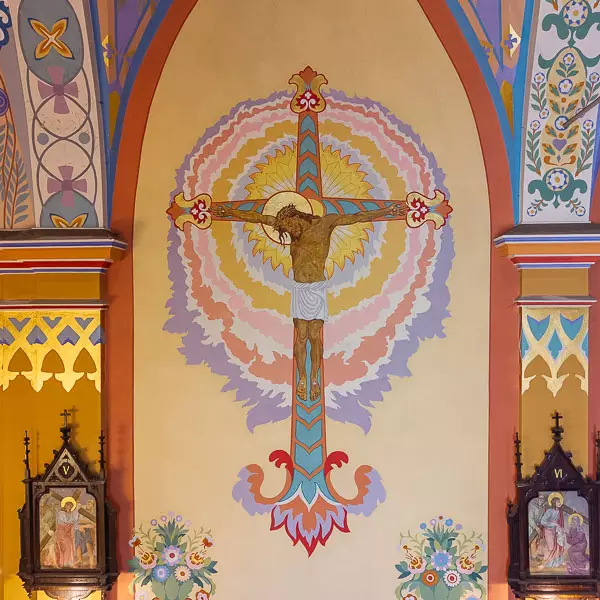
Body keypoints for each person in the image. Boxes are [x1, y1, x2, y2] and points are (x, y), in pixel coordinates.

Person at [211, 201, 404, 401]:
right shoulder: (286, 227)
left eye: (290, 226)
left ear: (296, 216)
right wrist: (229, 212)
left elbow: (357, 218)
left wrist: (387, 211)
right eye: (286, 230)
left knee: (314, 336)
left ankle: (314, 378)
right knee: (301, 336)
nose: (290, 232)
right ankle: (302, 377)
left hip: (317, 289)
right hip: (300, 289)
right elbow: (258, 217)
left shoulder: (326, 223)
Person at [538, 494, 566, 569]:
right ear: (554, 503)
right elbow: (543, 521)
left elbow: (558, 522)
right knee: (551, 547)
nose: (559, 503)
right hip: (548, 531)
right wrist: (552, 523)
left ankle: (557, 562)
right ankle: (544, 564)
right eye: (558, 502)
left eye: (559, 502)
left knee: (558, 545)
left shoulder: (559, 511)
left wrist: (559, 528)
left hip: (555, 531)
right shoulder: (549, 511)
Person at [54, 497, 79, 568]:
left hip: (68, 533)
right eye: (67, 505)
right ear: (64, 505)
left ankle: (69, 562)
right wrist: (75, 512)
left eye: (71, 505)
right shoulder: (61, 513)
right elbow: (67, 521)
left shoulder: (71, 513)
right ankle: (64, 563)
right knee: (67, 545)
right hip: (61, 532)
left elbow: (75, 522)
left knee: (71, 545)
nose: (69, 506)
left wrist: (76, 527)